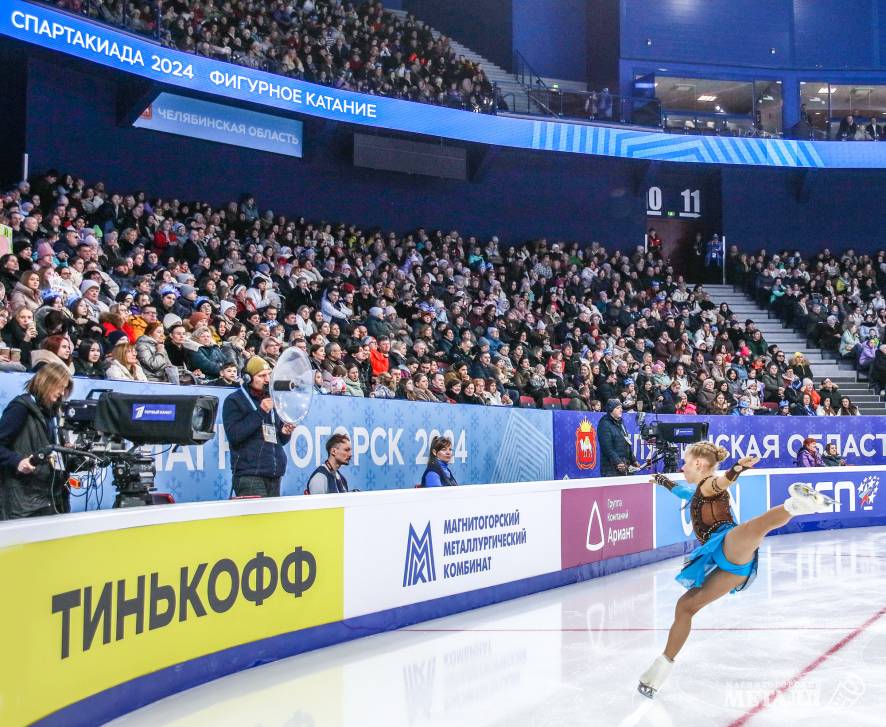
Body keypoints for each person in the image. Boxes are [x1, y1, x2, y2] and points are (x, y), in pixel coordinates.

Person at [638, 443, 834, 698]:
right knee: (684, 607)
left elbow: (721, 483)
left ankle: (795, 506)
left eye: (685, 463)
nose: (682, 467)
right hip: (729, 567)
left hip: (728, 543)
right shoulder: (696, 490)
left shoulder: (709, 483)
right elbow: (682, 491)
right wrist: (662, 481)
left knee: (755, 528)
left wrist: (737, 469)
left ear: (699, 464)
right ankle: (658, 672)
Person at [0, 362, 73, 519]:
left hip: (52, 500)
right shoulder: (20, 408)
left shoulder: (54, 414)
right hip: (24, 503)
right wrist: (17, 461)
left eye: (64, 389)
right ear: (46, 382)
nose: (61, 393)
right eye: (59, 387)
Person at [222, 356, 295, 498]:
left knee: (273, 520)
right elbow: (235, 435)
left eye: (269, 375)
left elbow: (278, 440)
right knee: (257, 520)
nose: (267, 379)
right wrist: (260, 412)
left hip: (274, 473)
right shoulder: (234, 400)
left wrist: (285, 432)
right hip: (250, 475)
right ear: (248, 378)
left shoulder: (270, 398)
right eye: (262, 376)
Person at [598, 398, 640, 476]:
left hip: (625, 465)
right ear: (611, 410)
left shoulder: (621, 422)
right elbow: (607, 448)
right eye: (617, 408)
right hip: (611, 469)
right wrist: (618, 462)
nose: (620, 410)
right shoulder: (604, 424)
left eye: (621, 408)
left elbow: (627, 443)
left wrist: (633, 460)